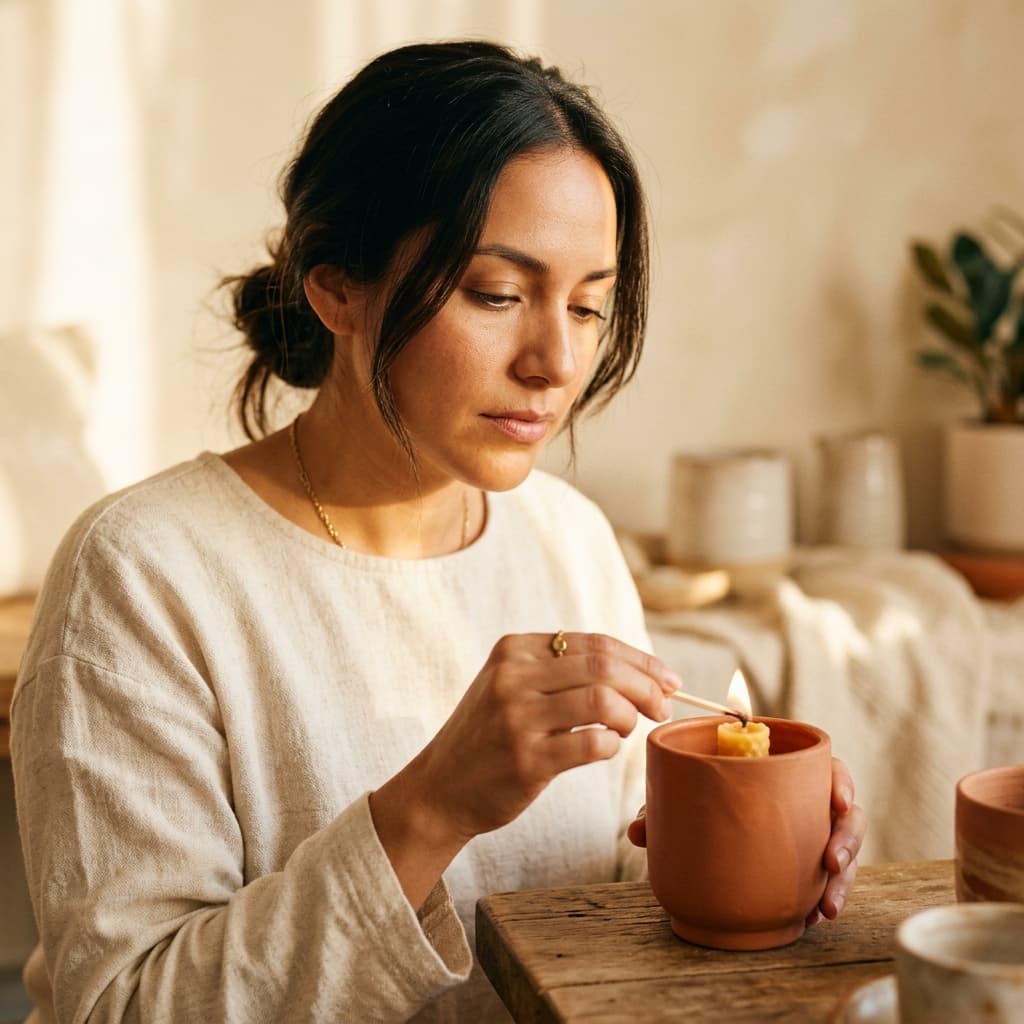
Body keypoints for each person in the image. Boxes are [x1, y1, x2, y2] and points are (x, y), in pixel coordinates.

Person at [11, 40, 865, 1022]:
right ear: (336, 284)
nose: (554, 360)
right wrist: (430, 808)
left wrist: (748, 839)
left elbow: (622, 911)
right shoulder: (144, 571)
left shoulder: (568, 540)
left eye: (589, 304)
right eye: (497, 294)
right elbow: (122, 1005)